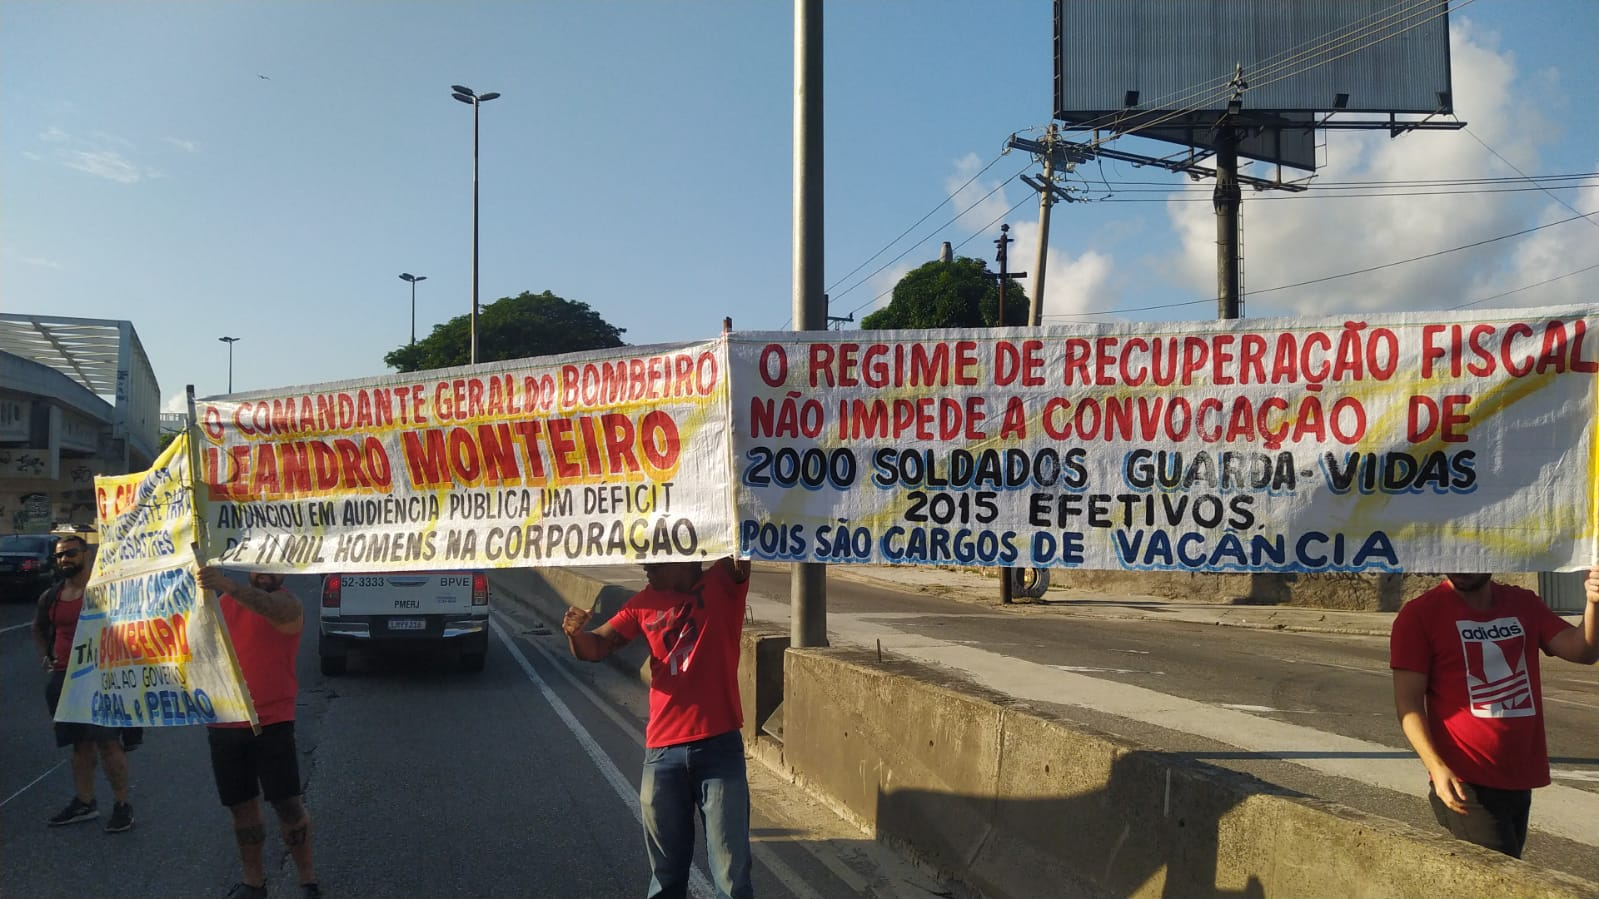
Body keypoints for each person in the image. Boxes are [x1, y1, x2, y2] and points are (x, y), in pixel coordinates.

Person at [563, 556, 754, 899]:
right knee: (666, 878)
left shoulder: (724, 580)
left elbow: (742, 531)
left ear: (681, 557)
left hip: (719, 749)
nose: (644, 567)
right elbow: (595, 648)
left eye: (653, 560)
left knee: (731, 877)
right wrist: (575, 634)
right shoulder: (642, 604)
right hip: (662, 753)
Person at [1390, 567, 1599, 858]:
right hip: (1466, 782)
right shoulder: (1419, 615)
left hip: (1519, 776)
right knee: (1506, 882)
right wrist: (1436, 767)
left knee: (1502, 877)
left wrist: (1594, 602)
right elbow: (1408, 704)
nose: (1461, 567)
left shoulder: (1523, 603)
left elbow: (1583, 651)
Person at [197, 566, 320, 899]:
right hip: (224, 721)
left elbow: (272, 610)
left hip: (272, 721)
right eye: (258, 565)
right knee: (241, 808)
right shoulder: (220, 605)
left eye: (273, 566)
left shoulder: (288, 603)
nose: (265, 572)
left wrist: (226, 584)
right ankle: (254, 884)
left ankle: (307, 882)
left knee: (288, 805)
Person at [30, 534, 137, 833]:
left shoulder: (106, 591)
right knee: (79, 745)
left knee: (108, 743)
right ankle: (85, 802)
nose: (65, 559)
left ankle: (122, 805)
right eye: (60, 555)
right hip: (65, 678)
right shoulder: (51, 596)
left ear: (87, 554)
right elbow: (38, 628)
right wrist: (45, 656)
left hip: (102, 678)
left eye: (71, 554)